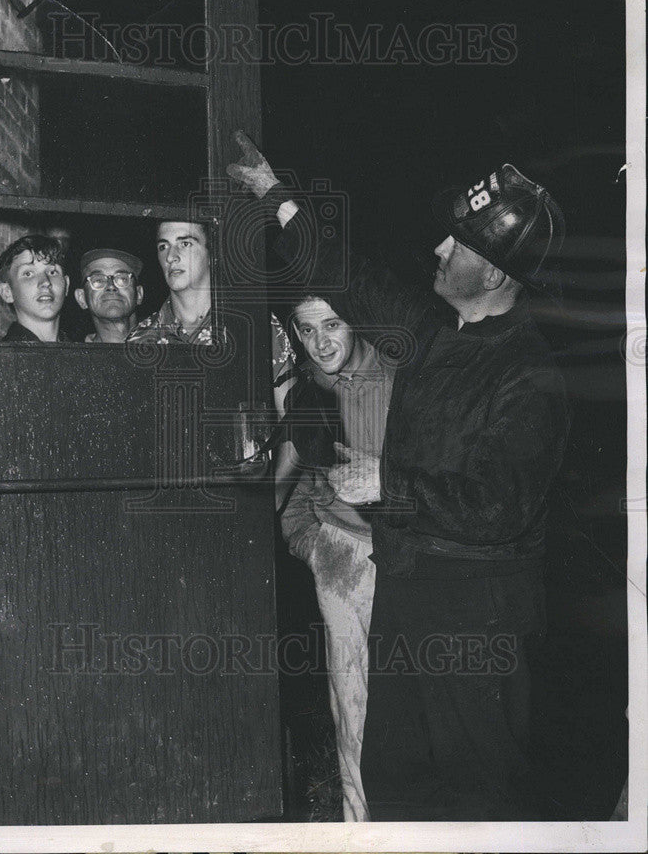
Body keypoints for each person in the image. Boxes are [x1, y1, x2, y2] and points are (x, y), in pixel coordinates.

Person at [228, 131, 570, 821]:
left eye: (459, 245)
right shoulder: (435, 332)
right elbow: (349, 278)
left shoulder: (531, 376)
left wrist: (390, 482)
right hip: (409, 591)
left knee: (477, 796)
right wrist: (276, 196)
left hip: (479, 620)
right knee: (397, 781)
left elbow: (501, 504)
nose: (440, 250)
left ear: (498, 275)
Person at [281, 294, 395, 821]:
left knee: (405, 707)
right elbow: (302, 477)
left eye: (332, 324)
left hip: (406, 558)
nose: (320, 341)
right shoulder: (308, 393)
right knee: (349, 705)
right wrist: (311, 543)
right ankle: (359, 828)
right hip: (341, 559)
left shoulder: (399, 377)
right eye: (307, 331)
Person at [126, 220, 296, 418]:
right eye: (163, 246)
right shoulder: (140, 338)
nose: (171, 257)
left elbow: (292, 423)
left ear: (212, 254)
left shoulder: (253, 325)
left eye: (185, 243)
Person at [0, 233, 70, 342]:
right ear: (7, 292)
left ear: (67, 285)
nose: (45, 282)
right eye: (28, 274)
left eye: (52, 272)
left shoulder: (85, 355)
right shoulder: (0, 356)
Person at [74, 248, 144, 343]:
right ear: (81, 298)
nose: (111, 286)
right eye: (98, 280)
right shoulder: (74, 354)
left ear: (139, 294)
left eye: (122, 279)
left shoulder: (165, 347)